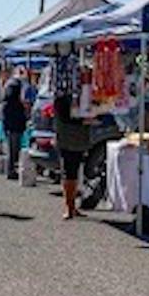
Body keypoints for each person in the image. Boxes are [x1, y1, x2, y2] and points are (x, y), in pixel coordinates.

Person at [52, 46, 90, 220]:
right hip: (68, 133)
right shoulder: (61, 97)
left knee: (74, 168)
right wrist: (83, 120)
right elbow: (65, 116)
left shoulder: (73, 96)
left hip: (76, 133)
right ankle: (69, 206)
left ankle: (72, 205)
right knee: (70, 169)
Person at [0, 70, 29, 179]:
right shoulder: (14, 85)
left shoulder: (9, 85)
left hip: (10, 122)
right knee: (13, 148)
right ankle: (10, 171)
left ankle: (11, 170)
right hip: (14, 123)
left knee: (12, 148)